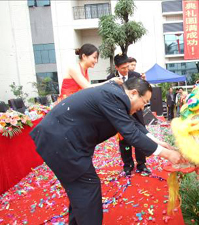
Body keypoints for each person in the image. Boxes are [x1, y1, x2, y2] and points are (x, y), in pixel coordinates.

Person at [30, 78, 184, 225]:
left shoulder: (114, 94)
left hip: (64, 142)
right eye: (144, 102)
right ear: (133, 93)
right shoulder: (113, 96)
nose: (143, 108)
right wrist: (169, 154)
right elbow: (131, 134)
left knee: (80, 191)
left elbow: (133, 125)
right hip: (61, 143)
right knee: (87, 189)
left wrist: (159, 143)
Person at [107, 54, 150, 176]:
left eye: (127, 67)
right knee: (124, 141)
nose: (126, 70)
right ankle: (128, 165)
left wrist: (145, 81)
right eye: (123, 68)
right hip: (121, 114)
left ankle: (141, 164)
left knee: (141, 137)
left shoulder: (136, 76)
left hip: (137, 113)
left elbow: (143, 92)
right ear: (117, 67)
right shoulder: (110, 78)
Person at [57, 43, 122, 101]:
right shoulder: (74, 68)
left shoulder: (85, 70)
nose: (96, 61)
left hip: (75, 103)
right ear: (84, 56)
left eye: (97, 58)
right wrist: (111, 81)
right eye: (94, 57)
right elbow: (88, 87)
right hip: (66, 104)